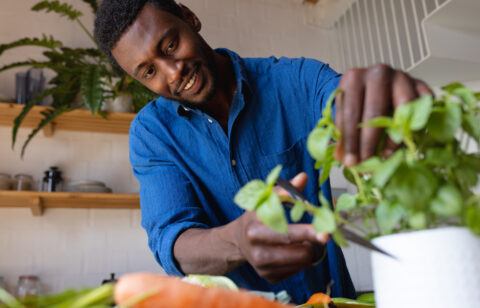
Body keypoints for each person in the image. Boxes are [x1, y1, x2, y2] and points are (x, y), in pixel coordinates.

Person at [94, 0, 431, 304]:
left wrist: (378, 105)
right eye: (149, 72)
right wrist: (237, 241)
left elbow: (341, 100)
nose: (173, 71)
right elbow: (173, 240)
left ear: (189, 17)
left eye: (170, 44)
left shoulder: (297, 80)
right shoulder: (152, 133)